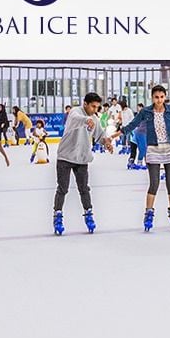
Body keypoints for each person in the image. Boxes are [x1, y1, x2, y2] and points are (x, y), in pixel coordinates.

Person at [124, 85, 170, 232]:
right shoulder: (146, 111)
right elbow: (133, 124)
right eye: (156, 97)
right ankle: (149, 213)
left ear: (165, 97)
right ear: (152, 98)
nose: (159, 100)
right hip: (153, 149)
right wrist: (118, 133)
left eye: (161, 97)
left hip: (169, 149)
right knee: (154, 183)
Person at [54, 93, 112, 236]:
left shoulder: (95, 119)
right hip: (65, 157)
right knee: (63, 188)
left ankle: (88, 213)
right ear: (85, 103)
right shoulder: (75, 112)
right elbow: (75, 119)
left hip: (82, 159)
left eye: (97, 107)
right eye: (93, 106)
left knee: (84, 189)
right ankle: (57, 215)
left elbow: (100, 136)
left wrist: (106, 143)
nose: (95, 110)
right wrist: (86, 119)